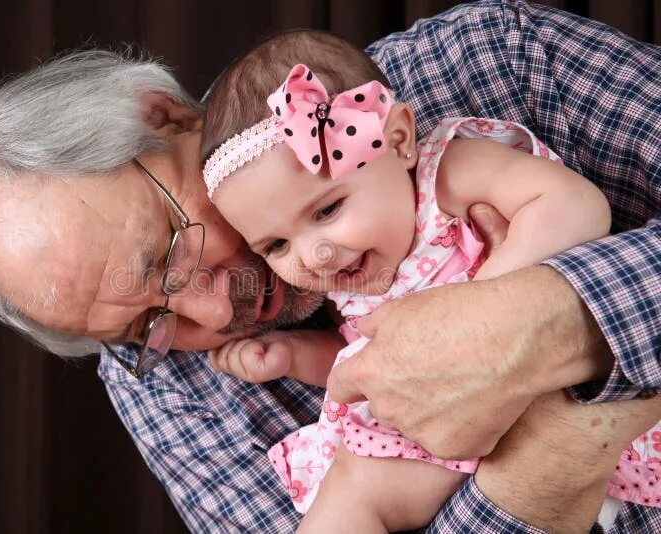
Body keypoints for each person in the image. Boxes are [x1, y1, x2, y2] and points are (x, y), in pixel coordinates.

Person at [0, 1, 661, 531]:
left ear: (167, 116)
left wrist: (554, 317)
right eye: (148, 326)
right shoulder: (164, 390)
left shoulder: (481, 65)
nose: (215, 314)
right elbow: (360, 374)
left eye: (169, 254)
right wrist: (545, 459)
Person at [199, 29, 657, 531]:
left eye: (327, 209)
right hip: (454, 439)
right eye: (276, 246)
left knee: (357, 482)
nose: (315, 255)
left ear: (398, 142)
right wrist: (294, 356)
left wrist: (482, 307)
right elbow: (376, 366)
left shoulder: (448, 175)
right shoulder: (351, 275)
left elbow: (575, 206)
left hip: (560, 381)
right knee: (349, 494)